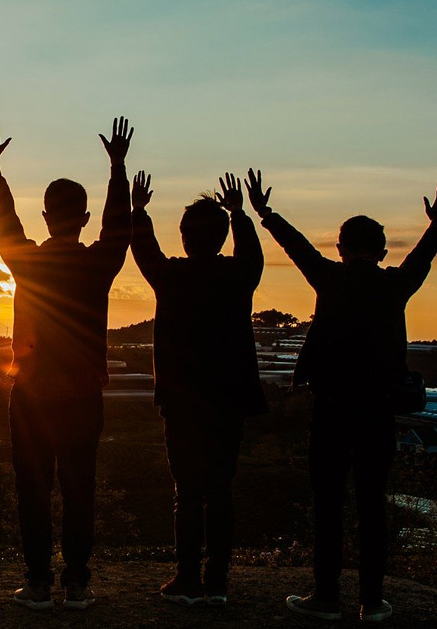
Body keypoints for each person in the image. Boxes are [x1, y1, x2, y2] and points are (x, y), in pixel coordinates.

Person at [255, 173, 437, 622]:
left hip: (330, 407)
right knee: (372, 504)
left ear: (340, 248)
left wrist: (266, 213)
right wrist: (435, 225)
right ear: (382, 252)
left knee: (327, 503)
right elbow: (421, 259)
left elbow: (296, 247)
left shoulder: (329, 277)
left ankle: (326, 596)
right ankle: (372, 600)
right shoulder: (395, 284)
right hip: (378, 409)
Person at [0, 116, 133, 610]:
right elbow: (119, 228)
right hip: (84, 395)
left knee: (34, 491)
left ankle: (38, 583)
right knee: (79, 489)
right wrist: (117, 169)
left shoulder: (27, 261)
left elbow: (5, 223)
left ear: (45, 217)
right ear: (84, 218)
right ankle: (78, 584)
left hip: (30, 395)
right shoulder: (98, 263)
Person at [130, 171, 267, 607]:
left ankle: (187, 579)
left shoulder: (172, 276)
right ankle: (217, 583)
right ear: (223, 237)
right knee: (220, 489)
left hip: (182, 401)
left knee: (187, 492)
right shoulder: (239, 275)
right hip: (229, 400)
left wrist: (138, 210)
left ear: (185, 237)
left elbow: (144, 250)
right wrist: (240, 214)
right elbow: (252, 255)